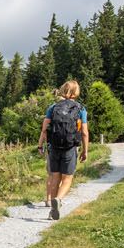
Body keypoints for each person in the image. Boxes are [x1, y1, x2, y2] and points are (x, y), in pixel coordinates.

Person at [36, 80, 89, 220]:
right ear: (76, 92)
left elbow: (44, 129)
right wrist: (85, 150)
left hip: (53, 147)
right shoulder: (81, 109)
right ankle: (58, 200)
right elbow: (84, 132)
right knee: (67, 178)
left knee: (55, 177)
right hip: (70, 147)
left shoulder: (53, 108)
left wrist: (40, 145)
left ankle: (51, 209)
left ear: (63, 90)